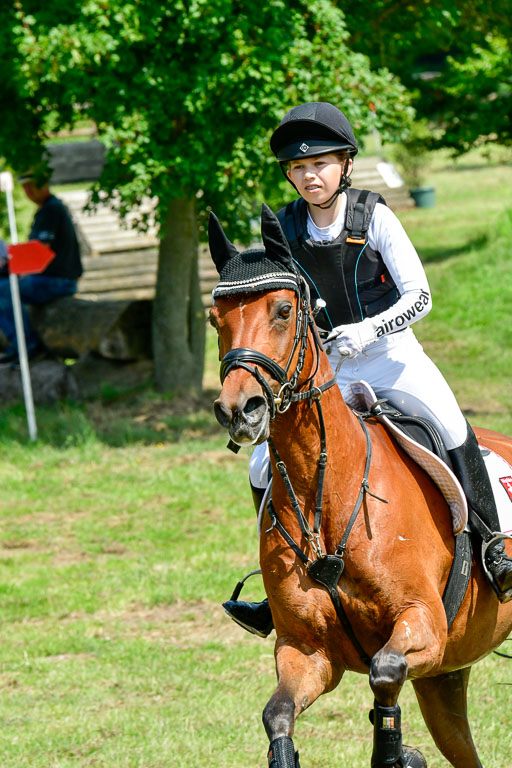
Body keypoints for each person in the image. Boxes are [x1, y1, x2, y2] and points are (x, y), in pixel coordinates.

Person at [223, 101, 512, 636]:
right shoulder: (281, 229)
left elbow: (419, 295)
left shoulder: (373, 216)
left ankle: (494, 548)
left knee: (451, 427)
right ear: (289, 174)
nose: (310, 175)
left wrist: (372, 329)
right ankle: (276, 585)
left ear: (345, 165)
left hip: (391, 356)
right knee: (261, 465)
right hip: (325, 366)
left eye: (321, 163)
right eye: (298, 168)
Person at [0, 168, 82, 364]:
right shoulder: (47, 209)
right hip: (49, 278)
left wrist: (11, 267)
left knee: (4, 290)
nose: (28, 192)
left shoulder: (51, 209)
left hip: (57, 280)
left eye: (32, 187)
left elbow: (39, 252)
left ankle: (26, 346)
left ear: (44, 185)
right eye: (25, 188)